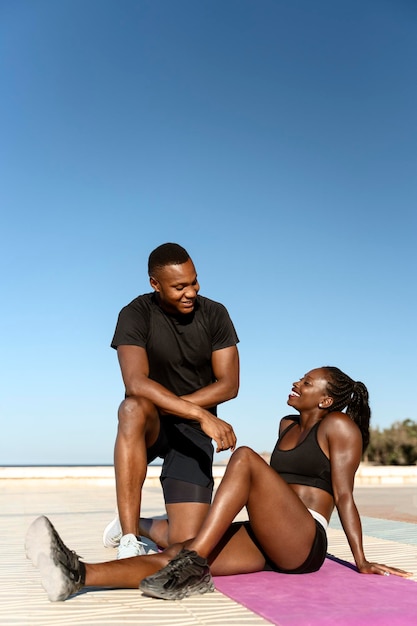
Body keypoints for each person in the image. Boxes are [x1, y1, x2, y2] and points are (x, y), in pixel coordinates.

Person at [25, 366, 412, 602]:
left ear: (326, 400)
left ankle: (191, 563)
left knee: (243, 458)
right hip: (269, 535)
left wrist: (360, 561)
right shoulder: (287, 425)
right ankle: (78, 574)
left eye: (308, 382)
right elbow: (270, 494)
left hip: (305, 540)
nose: (297, 382)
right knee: (179, 550)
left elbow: (344, 495)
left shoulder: (340, 427)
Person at [103, 243, 240, 558]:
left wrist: (184, 412)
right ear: (155, 284)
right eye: (180, 286)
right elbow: (135, 382)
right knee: (132, 407)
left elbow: (229, 384)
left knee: (186, 540)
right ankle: (128, 540)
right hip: (151, 421)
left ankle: (139, 524)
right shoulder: (135, 314)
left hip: (190, 432)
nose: (191, 291)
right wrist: (200, 413)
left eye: (194, 281)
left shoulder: (216, 314)